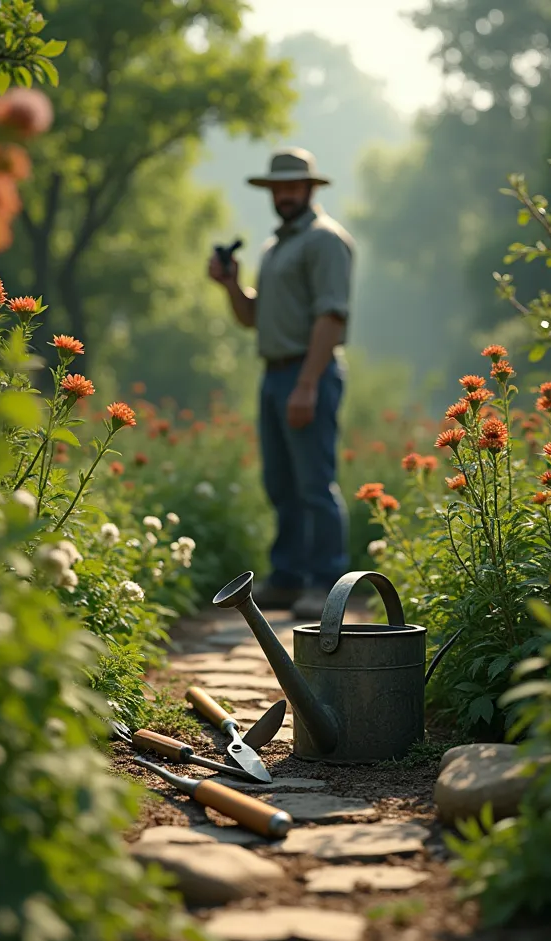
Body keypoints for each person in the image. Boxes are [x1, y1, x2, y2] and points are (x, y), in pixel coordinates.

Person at [208, 147, 354, 620]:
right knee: (281, 483)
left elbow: (331, 315)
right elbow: (252, 318)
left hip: (308, 370)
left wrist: (308, 384)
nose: (286, 194)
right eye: (279, 187)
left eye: (294, 185)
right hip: (274, 374)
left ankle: (326, 584)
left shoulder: (324, 241)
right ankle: (289, 578)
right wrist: (230, 285)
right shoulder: (276, 248)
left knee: (314, 483)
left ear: (311, 188)